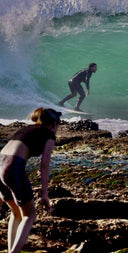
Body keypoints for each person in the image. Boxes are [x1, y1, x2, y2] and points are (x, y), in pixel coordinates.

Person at [0, 108, 61, 253]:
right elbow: (45, 164)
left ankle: (11, 251)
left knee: (16, 213)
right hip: (12, 167)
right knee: (30, 215)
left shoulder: (26, 129)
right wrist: (44, 194)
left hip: (0, 165)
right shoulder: (49, 134)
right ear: (54, 123)